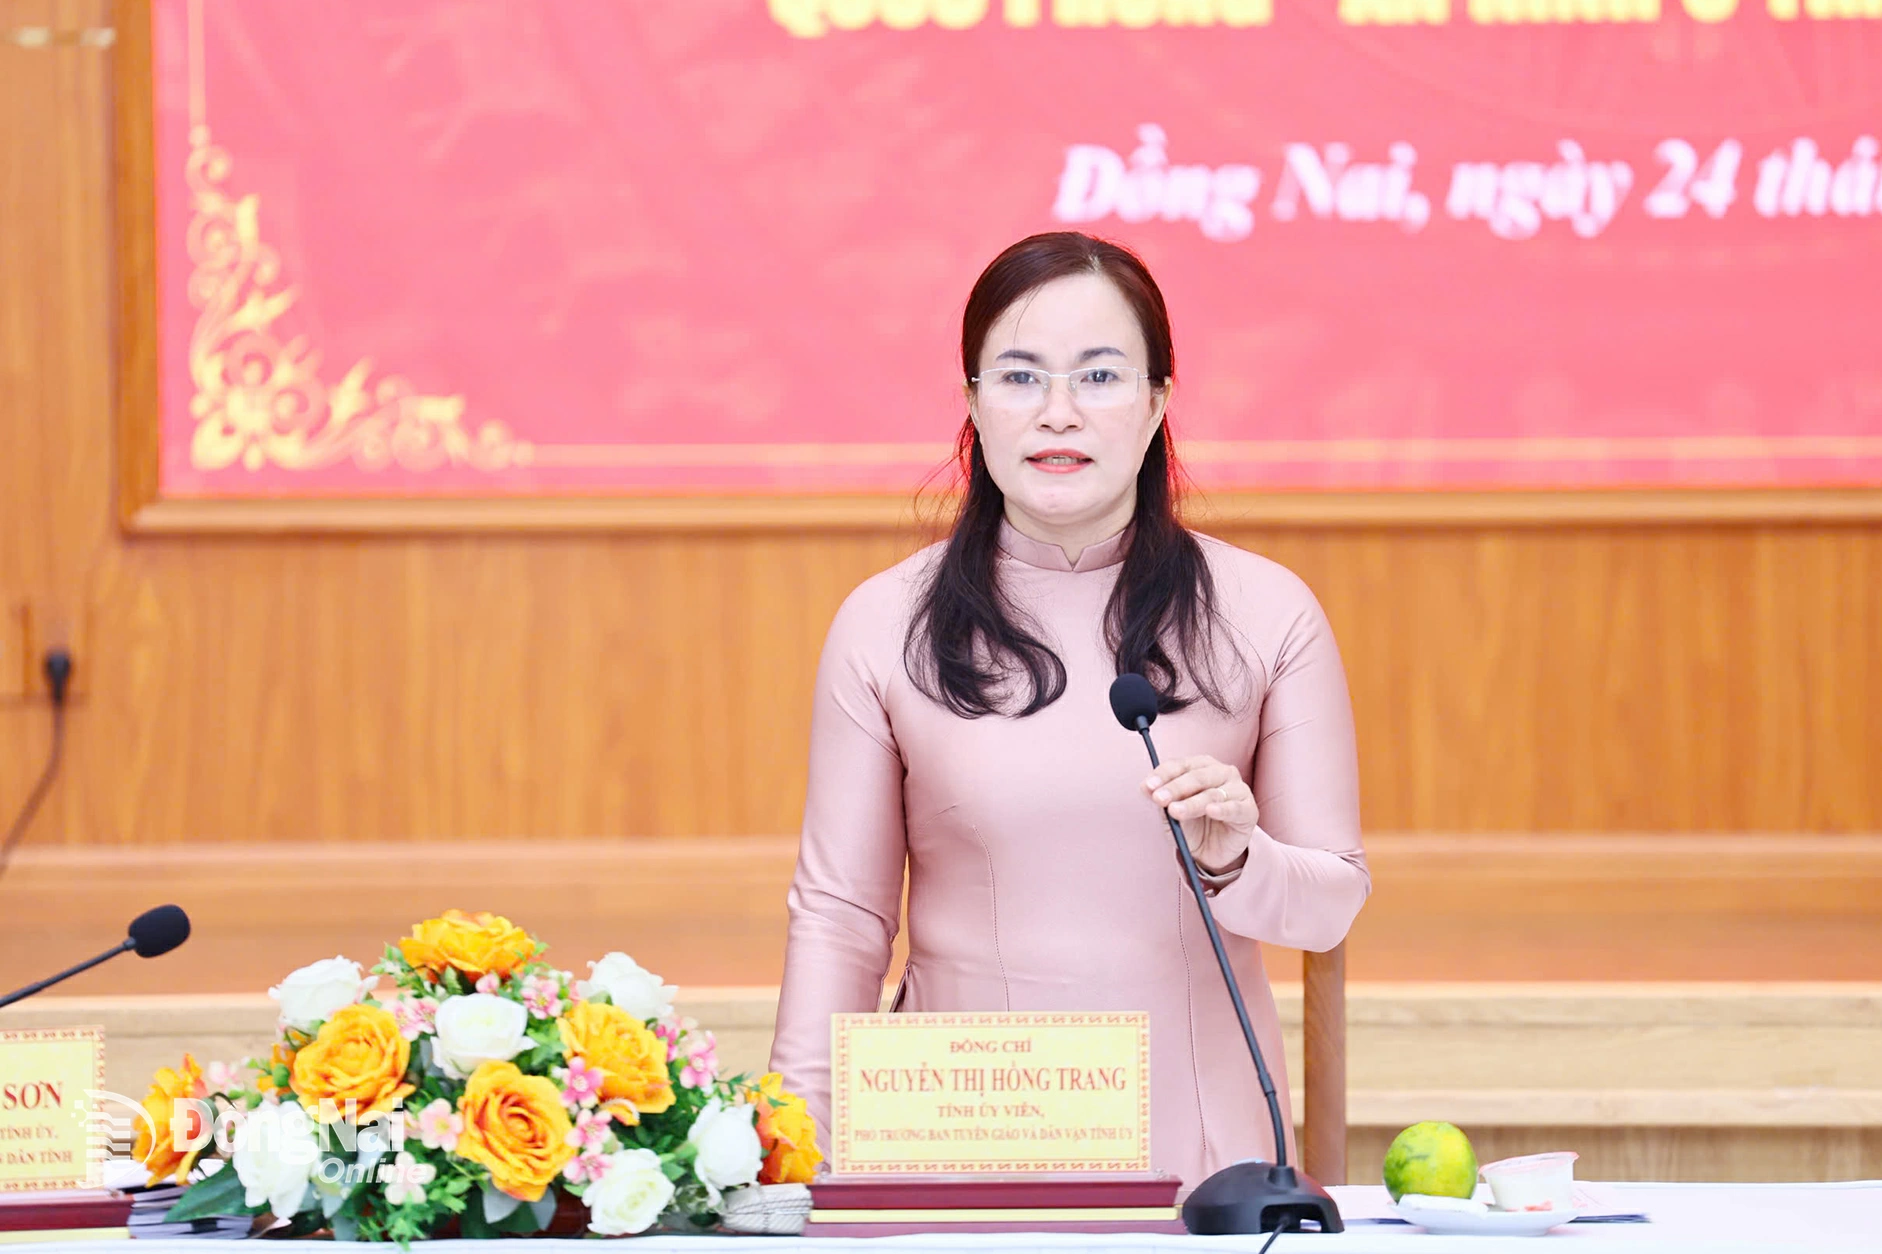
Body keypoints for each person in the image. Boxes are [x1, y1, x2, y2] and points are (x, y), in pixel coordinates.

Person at [768, 231, 1369, 1190]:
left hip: (1200, 1147)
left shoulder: (1267, 611)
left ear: (1158, 402)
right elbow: (841, 918)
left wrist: (1237, 858)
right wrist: (788, 1154)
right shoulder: (884, 622)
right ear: (971, 403)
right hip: (954, 1138)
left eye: (1098, 376)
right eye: (1018, 377)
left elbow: (1331, 903)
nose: (1058, 414)